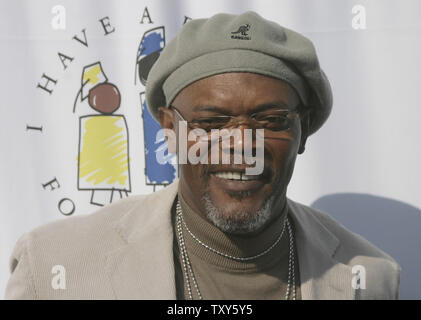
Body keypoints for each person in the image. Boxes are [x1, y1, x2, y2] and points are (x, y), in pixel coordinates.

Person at [5, 11, 400, 300]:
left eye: (270, 120)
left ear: (302, 130)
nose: (242, 145)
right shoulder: (54, 267)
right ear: (169, 129)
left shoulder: (370, 276)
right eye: (211, 123)